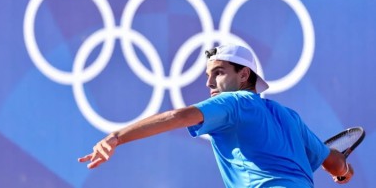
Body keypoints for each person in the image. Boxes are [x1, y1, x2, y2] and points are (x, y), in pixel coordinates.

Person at [79, 44, 354, 187]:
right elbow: (334, 163)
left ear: (244, 74)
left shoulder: (233, 103)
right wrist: (345, 171)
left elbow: (177, 116)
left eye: (218, 73)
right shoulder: (290, 116)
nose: (209, 83)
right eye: (208, 75)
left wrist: (116, 137)